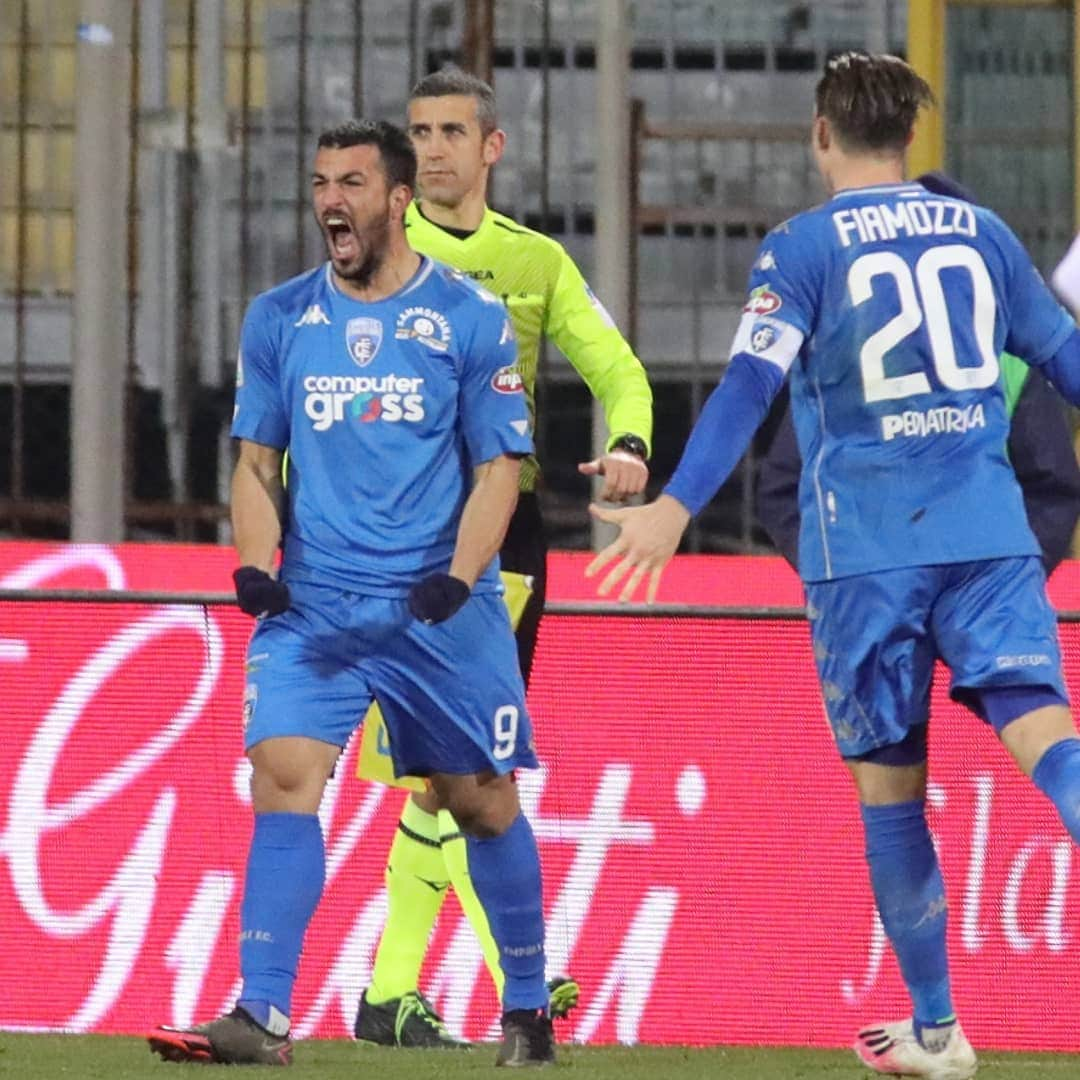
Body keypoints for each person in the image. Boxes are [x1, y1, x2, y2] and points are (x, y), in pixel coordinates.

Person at [588, 51, 1080, 1080]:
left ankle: (939, 1033)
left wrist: (677, 505)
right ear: (912, 137)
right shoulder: (982, 233)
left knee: (890, 789)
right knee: (1049, 739)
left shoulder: (801, 249)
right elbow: (1069, 360)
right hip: (990, 539)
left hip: (864, 553)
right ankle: (934, 1033)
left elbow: (745, 390)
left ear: (821, 134)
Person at [146, 118, 556, 1068]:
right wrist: (256, 564)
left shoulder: (466, 317)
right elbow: (255, 462)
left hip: (436, 606)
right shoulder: (279, 317)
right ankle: (263, 1014)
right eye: (322, 180)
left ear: (400, 198)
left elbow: (502, 467)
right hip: (318, 606)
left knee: (478, 798)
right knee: (283, 775)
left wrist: (458, 581)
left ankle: (529, 1011)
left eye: (354, 183)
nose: (332, 199)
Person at [351, 65, 654, 1049]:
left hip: (502, 546)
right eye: (418, 130)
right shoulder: (377, 256)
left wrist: (632, 446)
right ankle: (515, 983)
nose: (432, 147)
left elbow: (620, 371)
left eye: (450, 130)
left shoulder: (537, 263)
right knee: (446, 772)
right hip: (392, 539)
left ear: (492, 147)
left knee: (454, 770)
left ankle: (398, 997)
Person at [757, 172, 1080, 575]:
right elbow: (1053, 490)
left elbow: (1052, 492)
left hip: (898, 594)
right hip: (968, 605)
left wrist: (841, 571)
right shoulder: (1009, 358)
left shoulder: (842, 352)